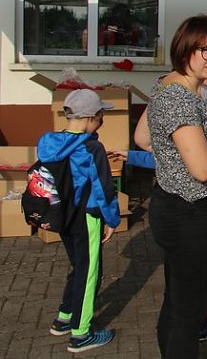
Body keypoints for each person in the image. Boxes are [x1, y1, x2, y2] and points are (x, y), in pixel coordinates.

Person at [146, 15, 207, 359]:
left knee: (178, 302)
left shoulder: (171, 87)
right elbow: (201, 170)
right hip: (189, 214)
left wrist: (171, 157)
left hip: (179, 210)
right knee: (189, 313)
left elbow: (143, 137)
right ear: (185, 49)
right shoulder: (179, 99)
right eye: (206, 50)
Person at [40, 89, 120, 353]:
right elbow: (103, 189)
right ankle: (81, 333)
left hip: (62, 216)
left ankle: (64, 317)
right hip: (87, 217)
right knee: (89, 274)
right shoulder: (91, 147)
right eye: (101, 115)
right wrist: (112, 220)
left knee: (78, 266)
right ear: (91, 117)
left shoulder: (49, 143)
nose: (102, 121)